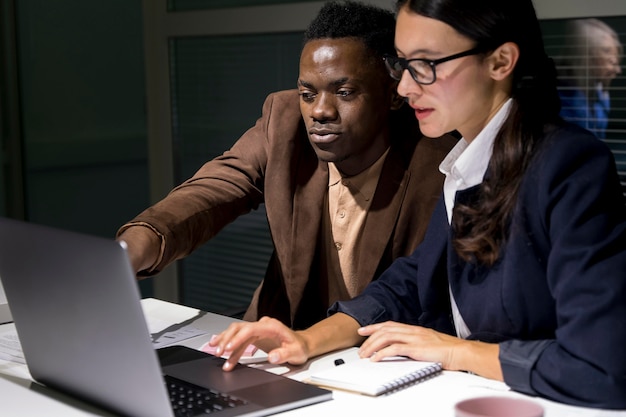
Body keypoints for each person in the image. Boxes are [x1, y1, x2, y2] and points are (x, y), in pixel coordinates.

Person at [212, 0, 626, 409]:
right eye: (403, 65)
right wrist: (306, 339)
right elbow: (410, 283)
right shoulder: (470, 159)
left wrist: (453, 351)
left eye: (426, 64)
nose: (406, 87)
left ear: (501, 62)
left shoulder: (569, 165)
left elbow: (599, 366)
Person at [116, 1, 457, 330]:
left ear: (394, 94)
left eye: (345, 92)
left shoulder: (438, 159)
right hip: (278, 341)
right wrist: (135, 246)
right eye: (308, 94)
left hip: (378, 359)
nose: (320, 111)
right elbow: (215, 189)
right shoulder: (284, 123)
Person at [558, 18, 623, 139]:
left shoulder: (595, 91)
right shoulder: (564, 100)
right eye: (611, 61)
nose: (618, 70)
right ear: (587, 55)